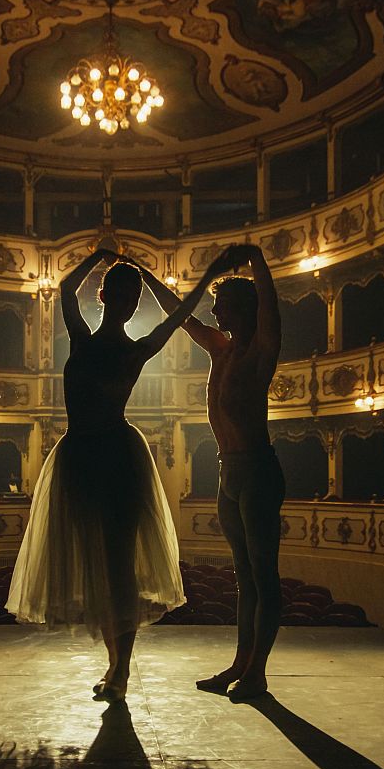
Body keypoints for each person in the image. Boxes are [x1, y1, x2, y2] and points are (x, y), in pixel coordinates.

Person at [7, 246, 238, 701]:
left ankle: (122, 672)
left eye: (133, 294)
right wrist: (99, 253)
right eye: (122, 292)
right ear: (106, 295)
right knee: (100, 564)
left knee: (117, 567)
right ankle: (114, 667)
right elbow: (63, 289)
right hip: (83, 457)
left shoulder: (132, 347)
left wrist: (157, 275)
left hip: (114, 457)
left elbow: (180, 316)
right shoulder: (84, 337)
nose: (129, 301)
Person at [134, 243, 284, 701]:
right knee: (244, 578)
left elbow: (270, 303)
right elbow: (181, 314)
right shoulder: (220, 349)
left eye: (221, 306)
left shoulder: (261, 349)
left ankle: (256, 672)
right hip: (228, 474)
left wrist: (255, 256)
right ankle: (240, 664)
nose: (214, 312)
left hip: (257, 471)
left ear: (241, 308)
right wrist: (143, 276)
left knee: (264, 576)